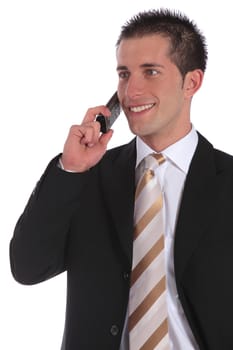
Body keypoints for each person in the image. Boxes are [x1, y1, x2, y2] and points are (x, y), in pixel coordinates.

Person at [9, 8, 233, 350]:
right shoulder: (87, 176)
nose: (131, 91)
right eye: (124, 74)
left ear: (192, 82)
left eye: (151, 72)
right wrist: (70, 171)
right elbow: (27, 268)